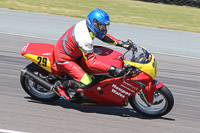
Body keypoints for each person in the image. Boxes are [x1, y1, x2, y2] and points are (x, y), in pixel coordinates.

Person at [54, 8, 132, 101]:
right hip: (65, 58)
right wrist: (113, 69)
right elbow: (91, 62)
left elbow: (102, 36)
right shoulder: (85, 39)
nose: (104, 29)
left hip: (74, 51)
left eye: (104, 26)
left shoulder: (87, 24)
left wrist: (121, 43)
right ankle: (60, 85)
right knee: (87, 82)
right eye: (102, 26)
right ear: (94, 23)